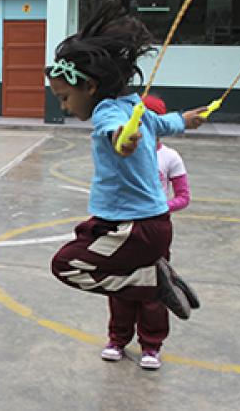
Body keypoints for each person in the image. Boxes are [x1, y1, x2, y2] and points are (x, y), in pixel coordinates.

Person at [47, 0, 204, 346]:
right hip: (145, 224)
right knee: (85, 235)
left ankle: (149, 281)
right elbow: (163, 124)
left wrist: (121, 139)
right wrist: (186, 120)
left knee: (66, 266)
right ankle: (150, 275)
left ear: (90, 87)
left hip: (134, 227)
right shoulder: (134, 107)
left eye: (64, 97)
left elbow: (113, 130)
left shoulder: (108, 112)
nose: (64, 106)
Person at [98, 94, 194, 370]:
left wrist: (156, 207)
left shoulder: (170, 157)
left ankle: (151, 345)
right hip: (123, 229)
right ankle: (117, 340)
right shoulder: (120, 151)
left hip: (154, 230)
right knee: (120, 286)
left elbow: (183, 197)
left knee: (153, 288)